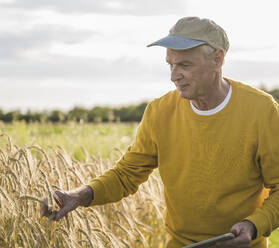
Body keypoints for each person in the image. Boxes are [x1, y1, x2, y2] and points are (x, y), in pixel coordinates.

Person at [41, 17, 279, 248]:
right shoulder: (159, 111)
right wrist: (78, 196)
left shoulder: (262, 111)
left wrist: (253, 225)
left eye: (185, 65)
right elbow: (126, 175)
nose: (174, 76)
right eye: (171, 65)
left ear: (218, 59)